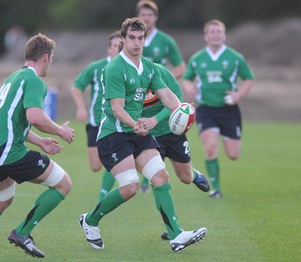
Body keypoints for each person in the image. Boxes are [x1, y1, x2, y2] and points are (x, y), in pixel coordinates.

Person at [78, 17, 207, 253]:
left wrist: (183, 109)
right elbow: (117, 108)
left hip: (138, 134)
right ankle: (91, 220)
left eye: (141, 38)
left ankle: (177, 235)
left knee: (161, 178)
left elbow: (166, 95)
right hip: (113, 134)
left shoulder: (147, 66)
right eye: (132, 38)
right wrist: (134, 123)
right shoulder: (114, 68)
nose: (137, 43)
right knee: (130, 187)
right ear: (124, 39)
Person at [0, 33, 75, 258]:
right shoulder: (35, 81)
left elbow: (15, 120)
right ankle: (22, 233)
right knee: (63, 184)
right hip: (6, 151)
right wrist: (60, 130)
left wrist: (40, 141)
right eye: (51, 58)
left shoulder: (13, 77)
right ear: (46, 57)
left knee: (0, 201)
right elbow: (35, 116)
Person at [182, 19, 256, 198]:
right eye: (212, 32)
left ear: (224, 35)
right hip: (206, 109)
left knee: (233, 154)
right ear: (206, 36)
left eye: (219, 32)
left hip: (229, 110)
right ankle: (215, 189)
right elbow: (186, 79)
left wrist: (238, 95)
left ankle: (226, 136)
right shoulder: (197, 59)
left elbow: (249, 78)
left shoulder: (235, 57)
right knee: (210, 146)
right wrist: (189, 87)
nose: (216, 35)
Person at [140, 63, 210, 240]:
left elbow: (177, 99)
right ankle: (172, 229)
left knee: (185, 178)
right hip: (149, 137)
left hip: (173, 132)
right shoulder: (122, 78)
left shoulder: (158, 71)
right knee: (158, 179)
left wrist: (155, 119)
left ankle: (193, 174)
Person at [136, 0, 187, 192]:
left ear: (155, 17)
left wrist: (162, 84)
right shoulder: (133, 39)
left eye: (150, 15)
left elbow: (181, 66)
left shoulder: (165, 41)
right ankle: (146, 179)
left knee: (185, 176)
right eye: (143, 15)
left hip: (160, 100)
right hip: (139, 99)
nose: (146, 18)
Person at [70, 31, 121, 203]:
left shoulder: (129, 68)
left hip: (117, 122)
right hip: (95, 122)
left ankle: (103, 196)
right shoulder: (96, 67)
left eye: (121, 45)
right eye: (115, 45)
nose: (118, 48)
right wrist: (81, 107)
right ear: (109, 49)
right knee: (95, 166)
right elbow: (77, 86)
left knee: (114, 157)